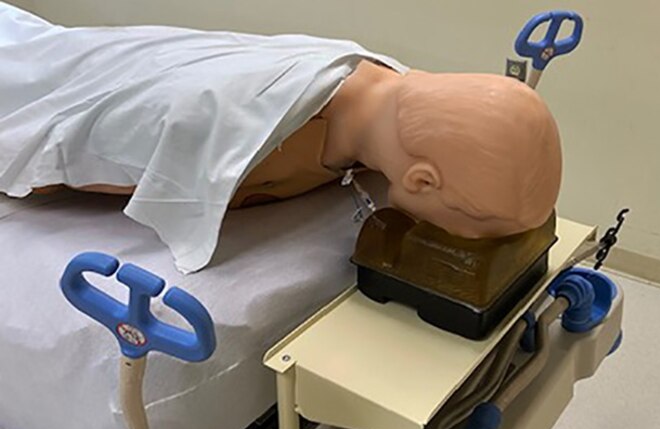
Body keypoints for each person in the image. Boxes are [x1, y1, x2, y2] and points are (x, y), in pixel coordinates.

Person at [0, 2, 561, 271]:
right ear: (421, 179)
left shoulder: (382, 83)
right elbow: (57, 148)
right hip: (46, 72)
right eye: (464, 227)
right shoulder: (235, 133)